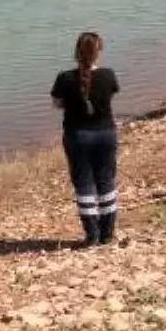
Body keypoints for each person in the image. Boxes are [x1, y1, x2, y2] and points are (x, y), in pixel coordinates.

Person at [51, 31, 120, 247]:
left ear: (77, 53)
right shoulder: (108, 75)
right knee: (106, 180)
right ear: (98, 52)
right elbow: (110, 94)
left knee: (84, 182)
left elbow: (57, 103)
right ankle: (107, 233)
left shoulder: (64, 78)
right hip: (105, 134)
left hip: (77, 136)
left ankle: (92, 235)